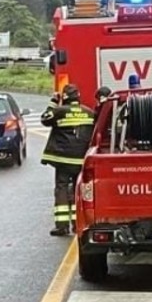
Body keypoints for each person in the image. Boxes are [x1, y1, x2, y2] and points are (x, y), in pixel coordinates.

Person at [41, 84, 95, 236]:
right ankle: (78, 223)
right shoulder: (89, 113)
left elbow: (44, 119)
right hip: (82, 160)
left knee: (62, 189)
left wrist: (53, 101)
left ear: (64, 97)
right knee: (78, 191)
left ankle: (62, 226)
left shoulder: (59, 111)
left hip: (63, 160)